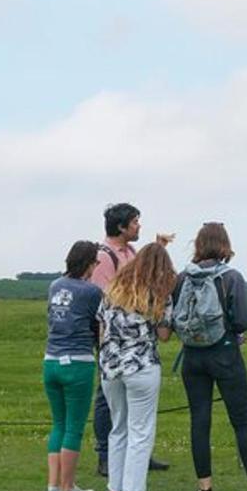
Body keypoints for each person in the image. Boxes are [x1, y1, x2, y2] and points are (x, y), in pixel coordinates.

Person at [173, 222, 247, 491]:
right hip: (225, 353)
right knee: (241, 420)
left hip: (192, 356)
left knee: (199, 421)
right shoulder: (231, 278)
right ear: (224, 246)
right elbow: (242, 320)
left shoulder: (182, 278)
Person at [89, 202, 171, 476]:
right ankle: (105, 455)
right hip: (114, 340)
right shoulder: (104, 258)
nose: (139, 226)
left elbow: (143, 276)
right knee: (106, 398)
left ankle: (137, 455)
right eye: (135, 222)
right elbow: (104, 299)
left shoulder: (132, 252)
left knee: (126, 408)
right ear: (121, 227)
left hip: (131, 341)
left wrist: (157, 250)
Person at [96, 242, 176, 491]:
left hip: (110, 366)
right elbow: (164, 336)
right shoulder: (158, 294)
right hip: (141, 365)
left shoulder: (112, 291)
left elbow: (101, 328)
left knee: (118, 428)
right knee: (141, 430)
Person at [43, 240, 104, 491]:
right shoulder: (91, 291)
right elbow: (98, 327)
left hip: (51, 361)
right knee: (74, 428)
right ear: (89, 263)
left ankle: (53, 487)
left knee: (58, 423)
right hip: (78, 362)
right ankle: (68, 489)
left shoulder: (55, 285)